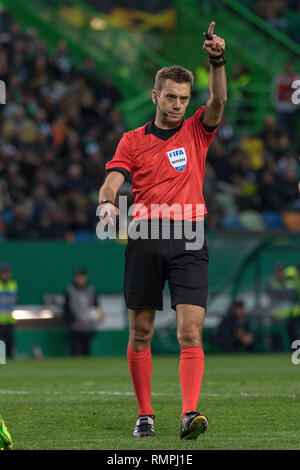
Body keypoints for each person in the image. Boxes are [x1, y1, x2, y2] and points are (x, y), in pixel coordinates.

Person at [99, 21, 227, 440]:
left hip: (191, 237)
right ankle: (145, 414)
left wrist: (216, 61)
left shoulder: (196, 131)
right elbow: (114, 179)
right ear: (155, 96)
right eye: (170, 97)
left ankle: (190, 414)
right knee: (141, 332)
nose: (177, 104)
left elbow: (219, 99)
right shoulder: (132, 140)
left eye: (183, 98)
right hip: (145, 239)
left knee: (190, 329)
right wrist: (106, 202)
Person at [64, 268, 103, 356]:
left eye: (82, 277)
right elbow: (66, 309)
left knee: (86, 351)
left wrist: (99, 315)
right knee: (75, 351)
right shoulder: (70, 290)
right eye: (78, 277)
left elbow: (96, 306)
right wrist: (74, 318)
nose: (80, 279)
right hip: (75, 328)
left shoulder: (91, 290)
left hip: (88, 326)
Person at [0, 263, 18, 358]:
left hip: (9, 320)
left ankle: (10, 359)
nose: (5, 275)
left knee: (10, 344)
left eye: (7, 273)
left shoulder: (13, 285)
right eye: (3, 273)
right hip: (0, 321)